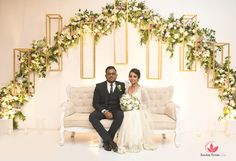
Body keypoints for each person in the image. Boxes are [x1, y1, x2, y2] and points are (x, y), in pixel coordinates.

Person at [117, 68, 157, 154]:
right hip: (127, 111)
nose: (132, 78)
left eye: (135, 76)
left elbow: (147, 103)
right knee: (126, 115)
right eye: (130, 76)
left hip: (137, 111)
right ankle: (126, 141)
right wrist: (126, 105)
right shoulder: (127, 88)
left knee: (133, 115)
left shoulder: (142, 89)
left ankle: (135, 142)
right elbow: (124, 100)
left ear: (138, 78)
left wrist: (137, 105)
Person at [89, 66, 125, 152]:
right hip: (103, 110)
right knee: (92, 116)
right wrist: (104, 111)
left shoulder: (121, 85)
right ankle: (110, 141)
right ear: (106, 75)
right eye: (109, 74)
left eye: (113, 74)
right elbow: (95, 103)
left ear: (116, 75)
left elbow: (123, 99)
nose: (111, 75)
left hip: (116, 110)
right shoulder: (99, 86)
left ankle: (106, 141)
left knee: (120, 115)